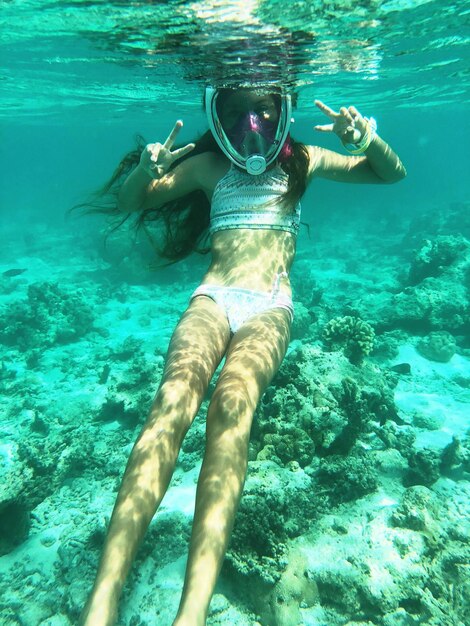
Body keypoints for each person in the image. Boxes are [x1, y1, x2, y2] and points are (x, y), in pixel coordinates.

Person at [79, 85, 406, 626]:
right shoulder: (208, 166)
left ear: (282, 111)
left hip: (270, 306)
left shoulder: (305, 158)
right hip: (213, 299)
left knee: (232, 407)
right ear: (218, 116)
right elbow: (131, 201)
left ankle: (193, 612)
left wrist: (370, 141)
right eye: (234, 113)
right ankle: (102, 599)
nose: (249, 123)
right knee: (171, 403)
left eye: (262, 109)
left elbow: (391, 172)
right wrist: (145, 168)